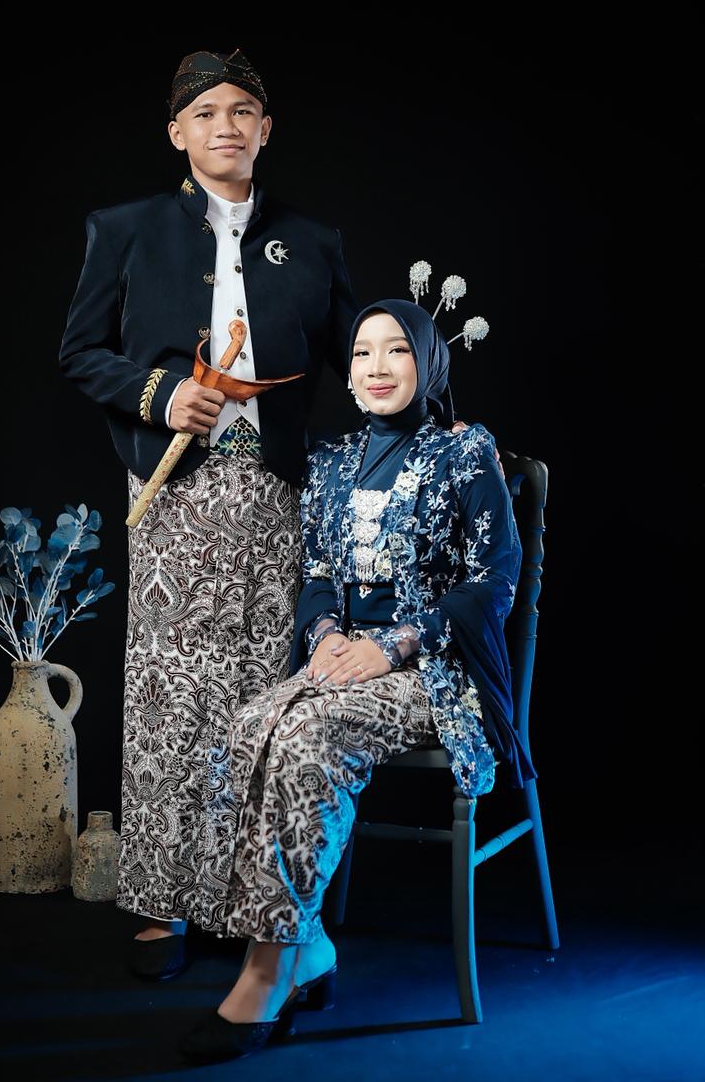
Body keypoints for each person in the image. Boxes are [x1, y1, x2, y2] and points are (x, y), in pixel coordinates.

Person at [58, 49, 360, 979]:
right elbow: (80, 352)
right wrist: (159, 395)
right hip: (175, 493)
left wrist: (436, 407)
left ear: (266, 130)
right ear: (177, 134)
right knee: (171, 699)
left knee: (264, 693)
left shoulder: (313, 241)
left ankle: (247, 901)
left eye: (241, 111)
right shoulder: (126, 229)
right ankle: (161, 907)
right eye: (205, 113)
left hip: (279, 492)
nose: (224, 126)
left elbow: (360, 360)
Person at [179, 297, 535, 1061]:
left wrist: (395, 645)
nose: (377, 367)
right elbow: (316, 574)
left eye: (396, 350)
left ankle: (267, 970)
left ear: (427, 363)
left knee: (305, 738)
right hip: (345, 659)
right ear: (347, 373)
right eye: (363, 352)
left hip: (436, 672)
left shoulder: (465, 453)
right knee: (249, 726)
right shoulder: (334, 461)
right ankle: (308, 945)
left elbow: (493, 584)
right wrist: (327, 635)